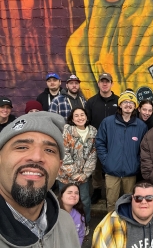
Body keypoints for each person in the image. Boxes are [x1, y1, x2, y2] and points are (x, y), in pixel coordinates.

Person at [0, 112, 80, 247]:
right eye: (22, 147)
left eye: (49, 150)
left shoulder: (65, 222)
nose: (37, 157)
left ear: (59, 167)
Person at [96, 90, 148, 212]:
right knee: (111, 203)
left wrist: (137, 163)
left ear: (135, 106)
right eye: (125, 101)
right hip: (111, 171)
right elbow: (100, 143)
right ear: (120, 104)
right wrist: (107, 161)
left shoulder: (141, 126)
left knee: (130, 202)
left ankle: (128, 227)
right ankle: (111, 227)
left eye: (131, 102)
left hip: (130, 173)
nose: (128, 105)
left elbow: (144, 149)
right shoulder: (108, 122)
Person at [92, 181, 153, 248]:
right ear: (132, 199)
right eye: (138, 198)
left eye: (149, 198)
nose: (143, 202)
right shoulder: (109, 225)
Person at [57, 107, 97, 236]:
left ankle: (84, 224)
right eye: (76, 116)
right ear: (72, 119)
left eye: (82, 115)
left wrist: (85, 173)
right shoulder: (67, 131)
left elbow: (93, 154)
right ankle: (64, 225)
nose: (80, 118)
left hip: (83, 177)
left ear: (86, 116)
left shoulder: (93, 132)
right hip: (66, 175)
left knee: (84, 200)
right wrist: (74, 173)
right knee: (65, 200)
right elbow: (64, 152)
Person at [86, 72, 119, 204]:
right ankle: (97, 190)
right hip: (96, 140)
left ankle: (114, 191)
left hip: (115, 140)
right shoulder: (91, 102)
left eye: (107, 81)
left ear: (111, 84)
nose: (105, 84)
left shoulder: (118, 101)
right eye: (102, 81)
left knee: (113, 165)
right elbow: (86, 122)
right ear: (98, 83)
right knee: (97, 168)